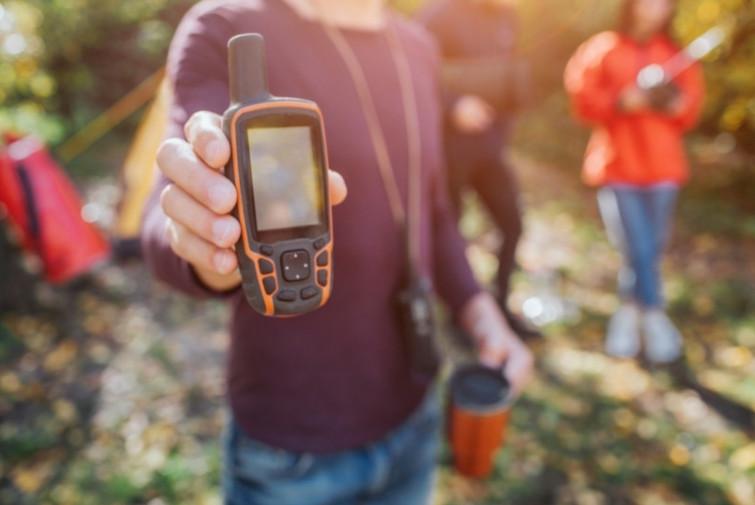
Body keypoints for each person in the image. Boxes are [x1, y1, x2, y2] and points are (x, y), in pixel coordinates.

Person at [140, 0, 534, 504]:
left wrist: (481, 314)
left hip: (415, 416)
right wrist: (209, 245)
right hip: (292, 451)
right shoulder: (228, 27)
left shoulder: (418, 46)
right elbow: (165, 214)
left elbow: (431, 214)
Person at [564, 0, 704, 363]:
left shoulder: (674, 55)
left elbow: (691, 107)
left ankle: (627, 314)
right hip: (617, 166)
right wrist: (620, 101)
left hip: (663, 169)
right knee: (637, 247)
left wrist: (676, 104)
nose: (655, 7)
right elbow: (581, 98)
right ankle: (655, 315)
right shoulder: (603, 48)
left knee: (648, 250)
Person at [417, 0, 538, 339]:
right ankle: (461, 316)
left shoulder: (507, 17)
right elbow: (415, 71)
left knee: (512, 225)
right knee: (453, 232)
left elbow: (508, 69)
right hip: (447, 150)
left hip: (490, 150)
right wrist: (454, 104)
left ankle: (500, 306)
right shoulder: (440, 14)